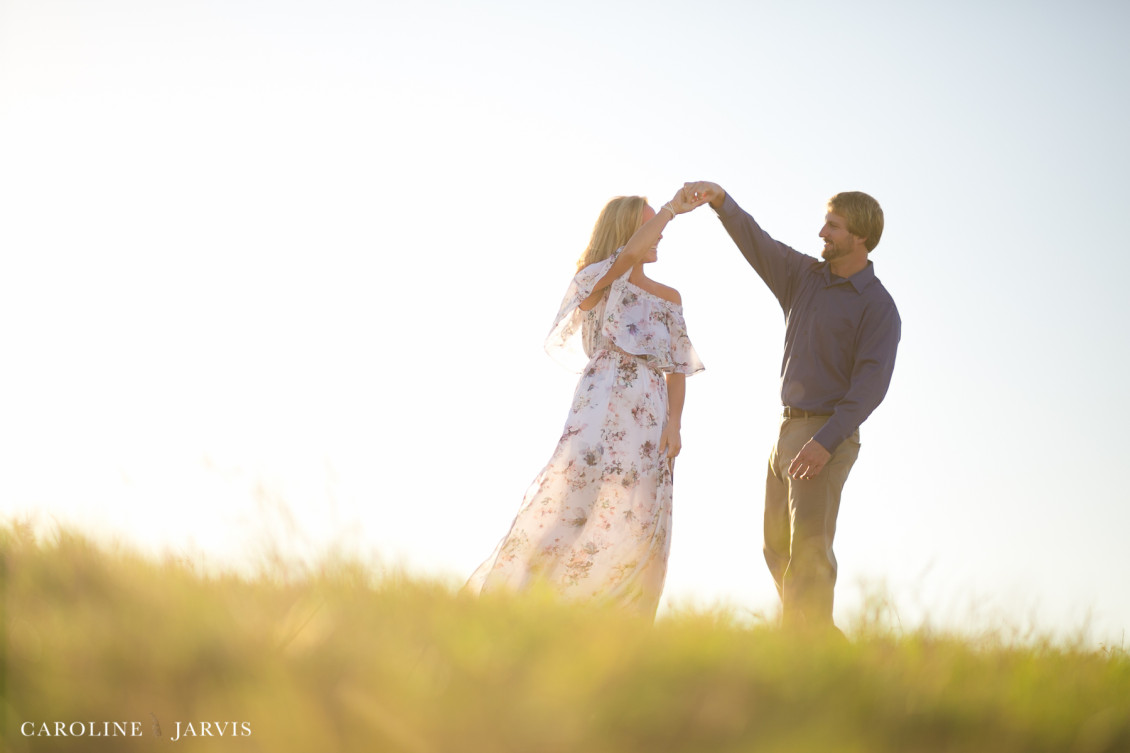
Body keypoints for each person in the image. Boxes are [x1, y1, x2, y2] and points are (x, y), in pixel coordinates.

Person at [465, 190, 706, 618]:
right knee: (574, 499)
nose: (661, 236)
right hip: (602, 402)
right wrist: (670, 209)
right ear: (629, 231)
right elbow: (626, 257)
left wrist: (676, 426)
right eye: (652, 226)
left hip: (651, 413)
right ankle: (520, 597)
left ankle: (618, 619)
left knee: (642, 509)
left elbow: (676, 368)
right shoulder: (597, 279)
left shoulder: (670, 297)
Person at [682, 181, 900, 633]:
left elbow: (870, 387)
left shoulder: (877, 307)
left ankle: (807, 655)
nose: (822, 232)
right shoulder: (803, 278)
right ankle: (816, 643)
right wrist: (722, 203)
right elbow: (757, 243)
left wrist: (824, 442)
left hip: (826, 435)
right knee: (775, 549)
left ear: (860, 236)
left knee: (809, 552)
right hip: (785, 430)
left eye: (833, 226)